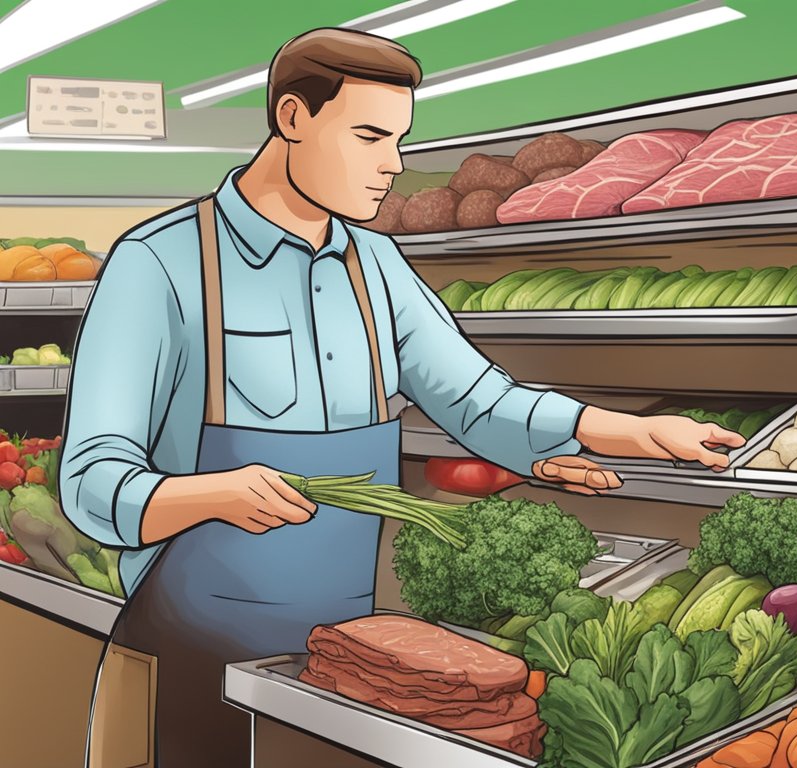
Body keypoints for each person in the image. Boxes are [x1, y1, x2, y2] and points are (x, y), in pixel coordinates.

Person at [61, 27, 743, 768]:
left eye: (398, 140)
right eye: (368, 137)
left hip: (346, 661)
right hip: (190, 653)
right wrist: (212, 494)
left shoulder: (375, 265)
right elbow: (91, 482)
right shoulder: (158, 262)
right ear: (292, 118)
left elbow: (479, 400)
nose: (393, 165)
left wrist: (632, 432)